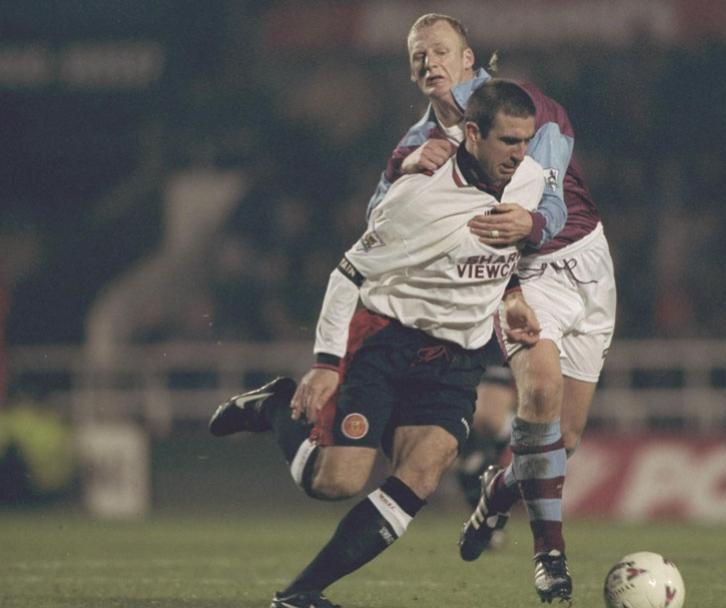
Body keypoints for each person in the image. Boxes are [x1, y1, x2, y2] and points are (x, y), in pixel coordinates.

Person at [209, 79, 545, 608]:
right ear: (473, 134)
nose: (520, 154)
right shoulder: (420, 200)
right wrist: (325, 364)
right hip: (389, 343)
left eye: (526, 141)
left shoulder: (530, 182)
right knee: (335, 483)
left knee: (425, 469)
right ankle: (277, 405)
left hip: (456, 360)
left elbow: (514, 250)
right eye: (508, 142)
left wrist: (516, 296)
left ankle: (300, 594)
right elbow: (348, 274)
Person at [367, 14, 617, 604]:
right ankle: (549, 558)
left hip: (586, 258)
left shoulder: (525, 107)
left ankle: (496, 493)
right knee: (539, 397)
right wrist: (400, 170)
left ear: (467, 57)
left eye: (439, 51)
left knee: (565, 438)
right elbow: (378, 227)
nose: (428, 62)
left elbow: (550, 199)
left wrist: (531, 220)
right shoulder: (415, 145)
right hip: (520, 277)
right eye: (417, 55)